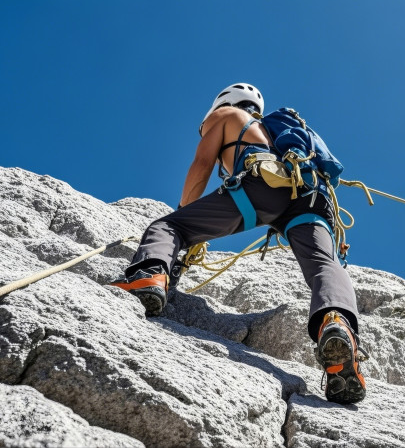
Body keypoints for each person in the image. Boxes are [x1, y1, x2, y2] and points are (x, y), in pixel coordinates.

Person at [111, 83, 366, 404]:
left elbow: (202, 165)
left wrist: (186, 221)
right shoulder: (281, 135)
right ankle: (337, 326)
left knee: (169, 226)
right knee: (323, 265)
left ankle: (149, 276)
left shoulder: (226, 114)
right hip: (309, 195)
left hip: (263, 188)